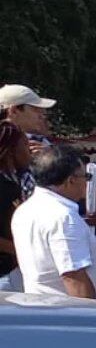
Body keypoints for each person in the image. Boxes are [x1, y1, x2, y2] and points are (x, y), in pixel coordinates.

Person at [11, 144, 96, 299]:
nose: (87, 183)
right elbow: (73, 276)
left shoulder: (24, 210)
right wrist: (92, 312)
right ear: (71, 180)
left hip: (42, 304)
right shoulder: (63, 217)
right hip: (69, 309)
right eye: (86, 176)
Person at [0, 122, 32, 291]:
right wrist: (23, 251)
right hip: (4, 275)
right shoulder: (3, 186)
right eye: (25, 145)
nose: (30, 150)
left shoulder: (16, 181)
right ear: (11, 150)